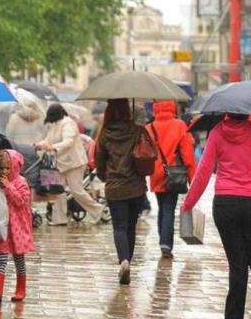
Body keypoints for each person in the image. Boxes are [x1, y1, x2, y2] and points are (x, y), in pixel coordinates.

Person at [182, 113, 251, 319]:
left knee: (237, 261)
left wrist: (188, 203)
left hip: (226, 203)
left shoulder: (218, 131)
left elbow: (204, 171)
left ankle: (233, 318)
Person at [95, 99, 151, 285]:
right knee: (131, 226)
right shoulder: (136, 130)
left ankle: (124, 261)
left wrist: (105, 177)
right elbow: (149, 152)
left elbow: (99, 163)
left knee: (119, 226)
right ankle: (128, 262)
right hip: (135, 187)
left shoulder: (104, 134)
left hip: (114, 187)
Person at [35, 103, 106, 226]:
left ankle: (98, 210)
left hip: (74, 163)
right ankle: (59, 218)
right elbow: (48, 140)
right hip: (60, 163)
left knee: (76, 190)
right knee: (58, 190)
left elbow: (68, 141)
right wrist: (39, 144)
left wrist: (53, 147)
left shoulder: (68, 123)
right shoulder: (55, 124)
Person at [0, 150, 35, 303]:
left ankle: (21, 289)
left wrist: (9, 187)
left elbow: (21, 200)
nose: (4, 172)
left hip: (17, 228)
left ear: (15, 167)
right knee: (1, 257)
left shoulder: (21, 182)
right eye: (1, 168)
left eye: (7, 168)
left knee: (19, 259)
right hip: (1, 227)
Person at [145, 101, 197, 258]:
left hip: (155, 172)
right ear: (172, 108)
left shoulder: (149, 128)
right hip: (174, 173)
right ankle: (166, 244)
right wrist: (192, 178)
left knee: (162, 207)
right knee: (169, 208)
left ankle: (163, 240)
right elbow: (187, 154)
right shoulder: (179, 125)